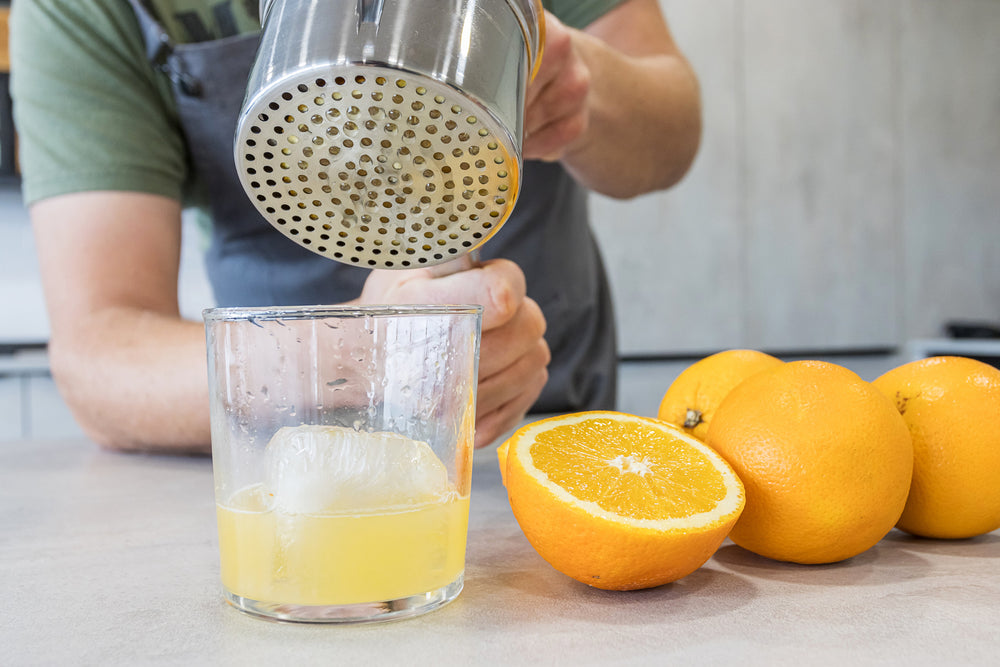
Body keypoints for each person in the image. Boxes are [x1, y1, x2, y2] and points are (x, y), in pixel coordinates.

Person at [11, 0, 701, 454]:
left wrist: (582, 86)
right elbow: (100, 351)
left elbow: (673, 135)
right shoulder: (82, 11)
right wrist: (362, 354)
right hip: (282, 464)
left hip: (548, 423)